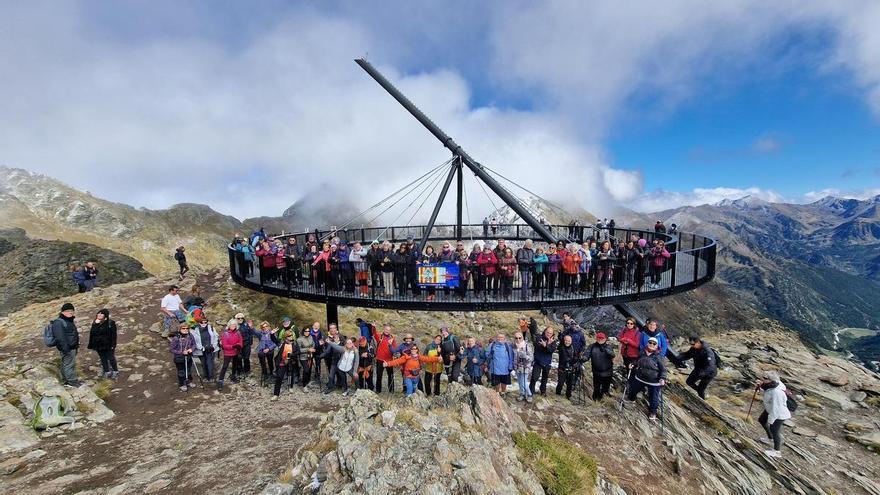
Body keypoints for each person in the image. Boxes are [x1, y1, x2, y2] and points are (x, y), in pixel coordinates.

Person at [626, 337, 667, 420]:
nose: (651, 344)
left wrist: (662, 378)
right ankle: (631, 400)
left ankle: (653, 412)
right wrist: (633, 364)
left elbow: (663, 370)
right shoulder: (642, 352)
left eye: (654, 344)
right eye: (650, 343)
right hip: (640, 377)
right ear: (647, 343)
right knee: (633, 389)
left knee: (653, 398)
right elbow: (637, 361)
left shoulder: (659, 357)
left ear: (656, 346)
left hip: (654, 381)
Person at [756, 371, 791, 458]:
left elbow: (777, 408)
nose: (762, 379)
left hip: (779, 414)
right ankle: (770, 438)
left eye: (765, 378)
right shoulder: (770, 386)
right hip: (770, 409)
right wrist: (759, 388)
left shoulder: (776, 392)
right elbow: (766, 392)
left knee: (774, 430)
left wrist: (771, 420)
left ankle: (777, 451)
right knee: (761, 420)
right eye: (763, 377)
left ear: (771, 380)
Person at [51, 303, 82, 387]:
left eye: (72, 311)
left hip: (72, 347)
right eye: (68, 311)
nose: (70, 312)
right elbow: (60, 338)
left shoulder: (68, 321)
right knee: (69, 365)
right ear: (62, 312)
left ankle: (65, 380)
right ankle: (72, 382)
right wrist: (66, 349)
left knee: (66, 364)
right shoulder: (59, 322)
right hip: (67, 348)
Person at [87, 309, 118, 379]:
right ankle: (107, 371)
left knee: (111, 358)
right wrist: (91, 344)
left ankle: (115, 371)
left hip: (108, 344)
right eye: (98, 313)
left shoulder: (110, 323)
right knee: (103, 358)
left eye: (101, 314)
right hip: (98, 345)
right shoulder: (95, 323)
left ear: (105, 315)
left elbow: (113, 335)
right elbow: (93, 333)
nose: (99, 315)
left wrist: (113, 344)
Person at [584, 332, 614, 401]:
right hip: (596, 371)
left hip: (608, 372)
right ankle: (595, 400)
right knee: (596, 387)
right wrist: (583, 358)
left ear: (605, 339)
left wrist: (605, 350)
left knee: (605, 387)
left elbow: (612, 355)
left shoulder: (608, 347)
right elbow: (587, 354)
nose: (600, 339)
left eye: (602, 338)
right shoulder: (592, 346)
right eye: (598, 338)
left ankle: (604, 400)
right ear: (596, 338)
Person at [530, 326, 557, 396]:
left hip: (547, 362)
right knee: (534, 377)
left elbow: (551, 350)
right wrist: (545, 346)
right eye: (548, 332)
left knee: (545, 378)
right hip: (538, 361)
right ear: (545, 331)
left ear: (552, 334)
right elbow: (537, 346)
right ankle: (530, 392)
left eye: (550, 333)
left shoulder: (553, 341)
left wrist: (546, 346)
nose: (549, 334)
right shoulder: (539, 337)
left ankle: (543, 391)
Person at [217, 318, 243, 391]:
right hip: (228, 353)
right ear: (229, 325)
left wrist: (239, 346)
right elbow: (224, 346)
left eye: (235, 325)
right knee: (225, 366)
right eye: (232, 325)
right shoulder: (225, 334)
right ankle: (220, 381)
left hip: (236, 352)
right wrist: (233, 346)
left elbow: (240, 341)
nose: (233, 326)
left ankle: (233, 376)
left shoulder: (238, 333)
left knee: (235, 365)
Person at [169, 322, 195, 391]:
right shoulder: (176, 338)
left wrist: (191, 349)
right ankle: (182, 384)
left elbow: (194, 344)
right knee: (181, 371)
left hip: (189, 356)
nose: (185, 330)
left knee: (189, 369)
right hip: (179, 358)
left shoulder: (190, 336)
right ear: (180, 329)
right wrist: (181, 352)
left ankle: (189, 381)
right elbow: (171, 349)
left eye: (187, 328)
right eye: (183, 328)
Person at [191, 316, 218, 382]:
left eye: (205, 322)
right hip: (201, 350)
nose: (204, 323)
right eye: (202, 322)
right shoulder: (195, 329)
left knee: (210, 362)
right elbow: (195, 341)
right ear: (199, 322)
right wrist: (202, 348)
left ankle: (211, 377)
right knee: (203, 363)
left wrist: (213, 346)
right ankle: (205, 376)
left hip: (210, 348)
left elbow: (216, 337)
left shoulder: (211, 328)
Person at [272, 331, 297, 398]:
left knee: (291, 374)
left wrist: (291, 355)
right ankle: (276, 394)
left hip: (290, 362)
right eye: (289, 336)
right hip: (282, 362)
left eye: (291, 335)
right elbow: (274, 340)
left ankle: (291, 387)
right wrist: (272, 334)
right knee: (279, 377)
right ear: (285, 337)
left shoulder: (294, 343)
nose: (291, 337)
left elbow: (298, 352)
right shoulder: (281, 343)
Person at [556, 335, 582, 399]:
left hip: (570, 368)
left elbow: (575, 357)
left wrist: (578, 359)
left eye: (569, 341)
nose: (567, 342)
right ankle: (557, 394)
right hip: (562, 368)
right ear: (564, 341)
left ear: (571, 341)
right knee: (560, 383)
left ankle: (568, 396)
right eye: (566, 340)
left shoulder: (573, 348)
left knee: (569, 384)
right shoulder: (561, 347)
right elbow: (564, 357)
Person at [513, 332, 534, 403]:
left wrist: (525, 356)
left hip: (525, 367)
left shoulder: (527, 346)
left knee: (524, 382)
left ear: (522, 337)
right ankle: (522, 394)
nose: (518, 339)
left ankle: (529, 394)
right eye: (516, 338)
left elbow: (531, 358)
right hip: (517, 367)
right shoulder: (514, 346)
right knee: (519, 381)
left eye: (520, 338)